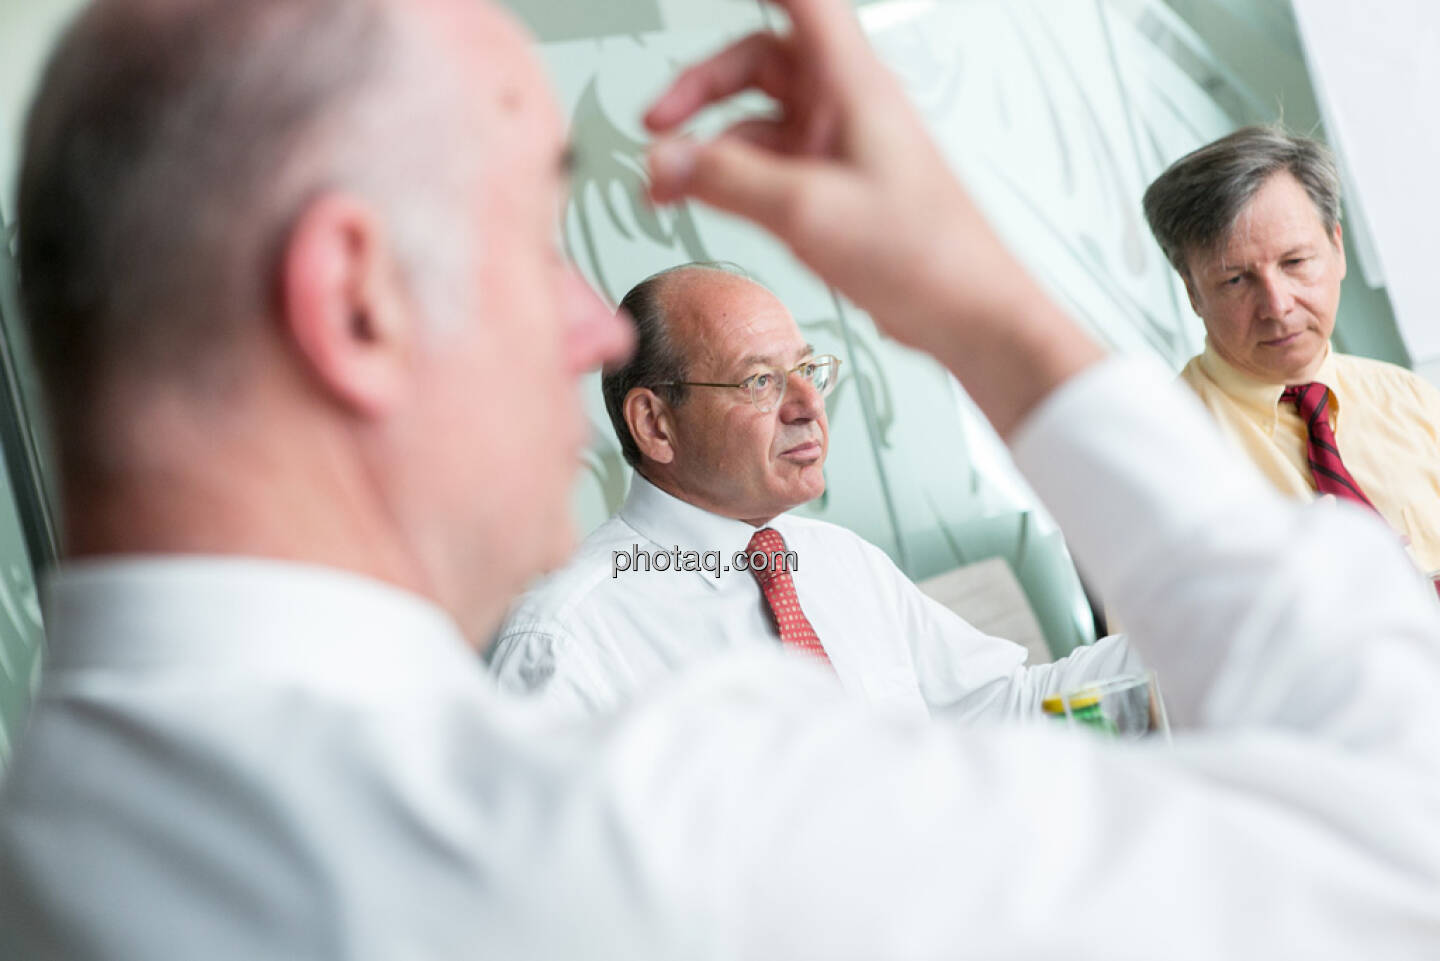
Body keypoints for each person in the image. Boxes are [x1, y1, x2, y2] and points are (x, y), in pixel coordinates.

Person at [1, 1, 1436, 959]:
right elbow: (1406, 818)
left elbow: (1001, 697)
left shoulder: (73, 830)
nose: (582, 334)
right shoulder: (635, 810)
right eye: (525, 243)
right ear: (356, 301)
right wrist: (993, 315)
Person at [490, 262, 1136, 721]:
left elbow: (1001, 702)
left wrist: (1196, 632)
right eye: (760, 382)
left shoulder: (838, 561)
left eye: (805, 368)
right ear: (656, 424)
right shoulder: (569, 639)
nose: (808, 405)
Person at [1144, 125, 1440, 577]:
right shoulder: (1164, 456)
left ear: (1337, 249)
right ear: (1193, 293)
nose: (1277, 306)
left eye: (1296, 263)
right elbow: (1153, 646)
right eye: (1235, 280)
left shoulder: (1411, 401)